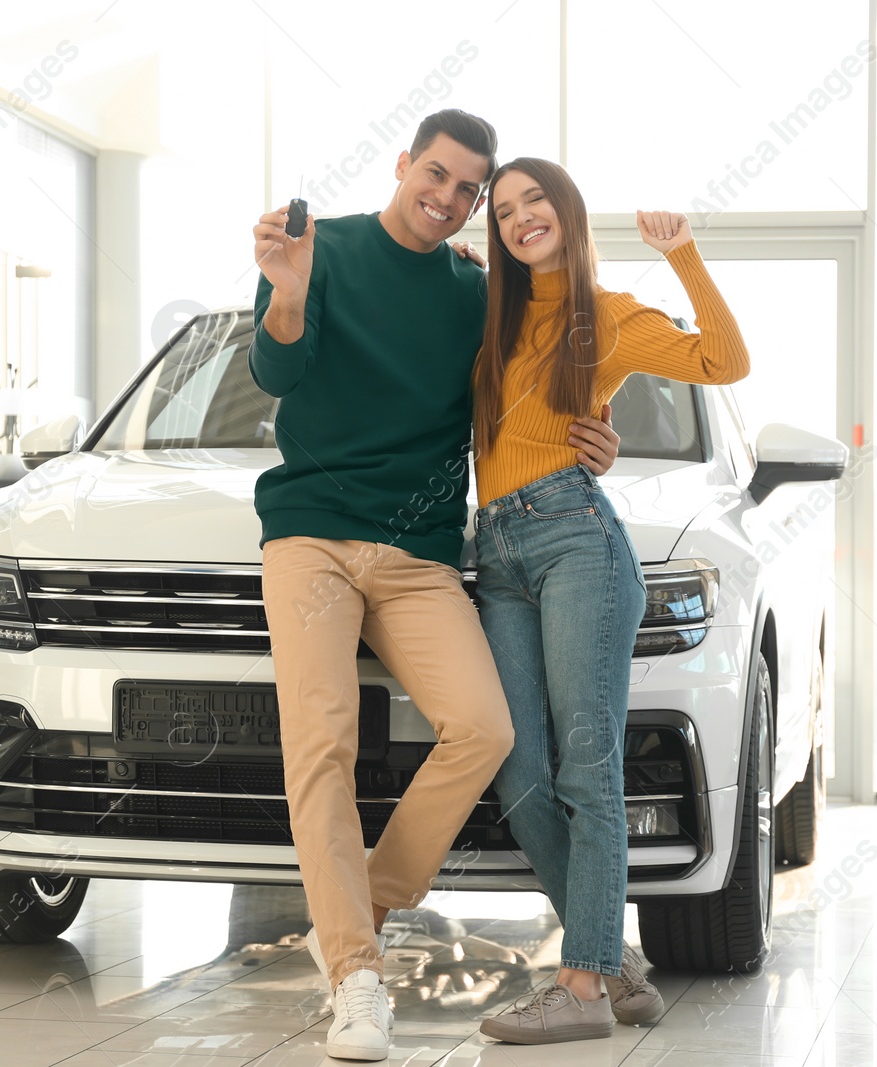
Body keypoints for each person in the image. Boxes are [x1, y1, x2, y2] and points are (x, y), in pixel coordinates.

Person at [248, 113, 621, 1060]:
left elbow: (533, 380)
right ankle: (357, 978)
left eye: (469, 189)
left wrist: (595, 432)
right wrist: (286, 292)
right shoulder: (313, 247)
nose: (449, 199)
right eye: (439, 176)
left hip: (419, 554)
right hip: (312, 542)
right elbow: (279, 367)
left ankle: (361, 904)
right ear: (404, 164)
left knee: (487, 728)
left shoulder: (473, 292)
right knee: (321, 744)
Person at [470, 157, 751, 1045]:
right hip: (497, 549)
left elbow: (724, 358)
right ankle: (617, 967)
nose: (521, 219)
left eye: (534, 200)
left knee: (587, 768)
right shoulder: (494, 318)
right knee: (519, 773)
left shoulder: (609, 318)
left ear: (567, 208)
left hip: (575, 539)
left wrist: (685, 256)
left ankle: (582, 982)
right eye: (506, 210)